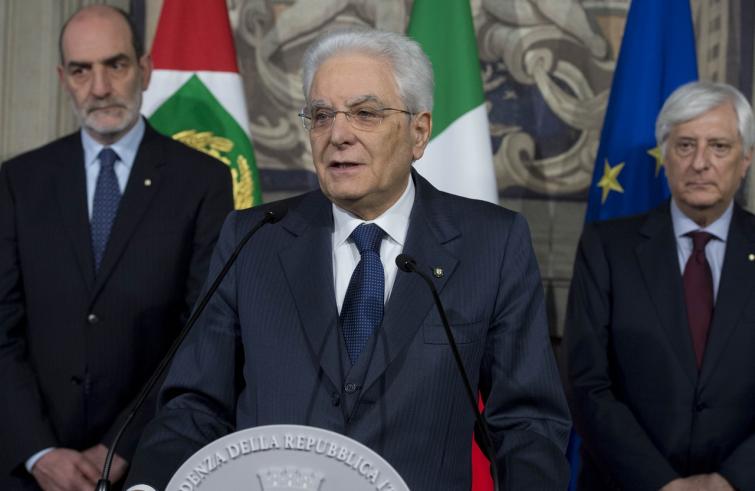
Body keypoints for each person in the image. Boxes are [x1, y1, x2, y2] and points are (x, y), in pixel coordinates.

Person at [124, 29, 571, 490]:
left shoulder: (491, 244)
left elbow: (526, 422)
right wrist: (148, 484)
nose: (338, 135)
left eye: (365, 114)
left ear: (419, 132)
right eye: (321, 116)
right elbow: (194, 406)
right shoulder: (253, 239)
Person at [0, 5, 234, 490]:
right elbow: (2, 328)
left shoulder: (202, 181)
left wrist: (122, 445)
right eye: (81, 71)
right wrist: (39, 452)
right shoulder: (19, 181)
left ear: (144, 70)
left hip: (146, 462)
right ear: (63, 79)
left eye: (116, 64)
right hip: (30, 467)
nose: (100, 87)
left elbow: (200, 334)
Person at [566, 81, 755, 491]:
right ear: (664, 156)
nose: (700, 163)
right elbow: (587, 383)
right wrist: (663, 483)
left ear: (745, 159)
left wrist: (732, 479)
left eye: (719, 146)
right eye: (685, 145)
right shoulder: (606, 248)